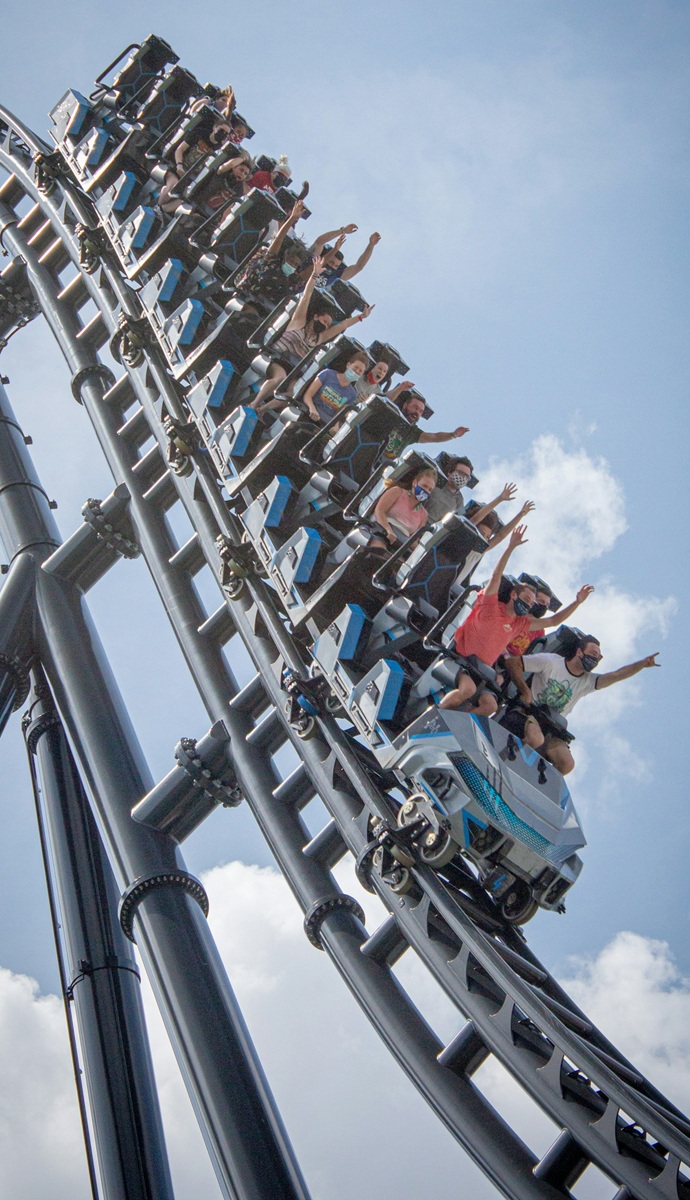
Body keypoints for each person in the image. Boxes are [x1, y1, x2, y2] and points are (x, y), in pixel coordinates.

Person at [437, 526, 594, 715]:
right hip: (460, 659)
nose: (528, 605)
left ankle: (451, 723)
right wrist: (510, 547)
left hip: (481, 672)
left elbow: (553, 621)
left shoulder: (519, 624)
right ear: (513, 594)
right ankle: (434, 716)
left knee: (490, 707)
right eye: (526, 599)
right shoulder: (491, 605)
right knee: (467, 690)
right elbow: (496, 576)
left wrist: (576, 602)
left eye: (531, 603)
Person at [502, 637, 660, 774]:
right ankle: (501, 762)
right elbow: (512, 663)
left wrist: (642, 664)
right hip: (528, 714)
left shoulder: (588, 681)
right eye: (593, 654)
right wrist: (525, 691)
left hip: (551, 728)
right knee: (536, 738)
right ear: (579, 652)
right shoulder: (552, 662)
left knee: (566, 764)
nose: (595, 659)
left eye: (598, 657)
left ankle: (528, 783)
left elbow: (617, 675)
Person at [250, 256, 374, 412]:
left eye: (328, 325)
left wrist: (361, 317)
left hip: (293, 372)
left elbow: (342, 325)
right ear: (316, 316)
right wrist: (315, 275)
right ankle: (254, 404)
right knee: (279, 378)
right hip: (276, 359)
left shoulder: (318, 338)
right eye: (324, 321)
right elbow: (306, 296)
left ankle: (262, 410)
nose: (325, 325)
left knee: (295, 392)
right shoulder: (299, 322)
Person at [380, 392, 469, 461]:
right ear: (405, 405)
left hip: (383, 464)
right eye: (415, 407)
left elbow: (435, 437)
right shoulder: (391, 413)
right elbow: (383, 401)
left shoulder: (412, 432)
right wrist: (401, 387)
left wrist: (453, 435)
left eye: (420, 411)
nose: (417, 413)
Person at [372, 468, 439, 548]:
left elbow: (414, 538)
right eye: (424, 486)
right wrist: (388, 529)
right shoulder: (397, 492)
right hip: (380, 530)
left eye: (430, 489)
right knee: (380, 550)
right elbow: (379, 511)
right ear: (415, 482)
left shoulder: (423, 514)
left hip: (400, 543)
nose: (426, 491)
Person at [301, 351, 369, 424]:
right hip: (308, 411)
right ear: (348, 365)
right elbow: (308, 395)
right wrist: (312, 408)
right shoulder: (327, 374)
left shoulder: (352, 394)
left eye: (360, 371)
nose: (356, 371)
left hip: (325, 423)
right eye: (356, 367)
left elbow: (341, 412)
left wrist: (335, 425)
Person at [310, 229, 382, 287]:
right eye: (331, 262)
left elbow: (359, 267)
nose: (332, 266)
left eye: (336, 266)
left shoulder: (336, 273)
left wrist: (371, 245)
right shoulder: (315, 258)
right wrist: (342, 230)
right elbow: (319, 242)